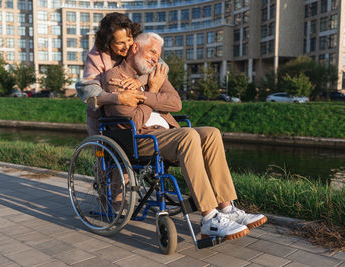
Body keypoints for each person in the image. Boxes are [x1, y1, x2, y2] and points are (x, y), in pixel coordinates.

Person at [101, 32, 267, 241]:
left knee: (211, 133)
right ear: (135, 48)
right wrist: (152, 91)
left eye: (158, 54)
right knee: (188, 135)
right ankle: (208, 218)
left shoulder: (156, 73)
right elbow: (132, 121)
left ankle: (226, 209)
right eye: (152, 51)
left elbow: (175, 103)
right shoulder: (114, 77)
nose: (155, 58)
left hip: (167, 134)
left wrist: (145, 94)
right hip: (140, 139)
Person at [76, 12, 166, 136]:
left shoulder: (136, 44)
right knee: (103, 151)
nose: (127, 46)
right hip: (103, 115)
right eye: (120, 43)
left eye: (129, 40)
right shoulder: (96, 56)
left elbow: (162, 67)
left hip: (135, 111)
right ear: (108, 43)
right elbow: (88, 90)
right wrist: (118, 98)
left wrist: (140, 81)